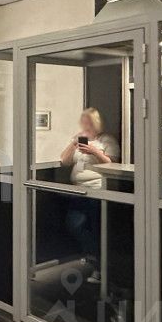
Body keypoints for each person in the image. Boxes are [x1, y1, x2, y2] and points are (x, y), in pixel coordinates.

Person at [60, 108, 119, 284]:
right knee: (74, 224)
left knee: (96, 228)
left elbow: (113, 163)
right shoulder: (78, 139)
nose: (85, 125)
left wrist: (94, 151)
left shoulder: (106, 140)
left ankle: (100, 267)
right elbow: (64, 161)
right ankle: (93, 257)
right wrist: (73, 144)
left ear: (96, 123)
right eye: (83, 122)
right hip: (79, 190)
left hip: (97, 190)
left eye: (89, 122)